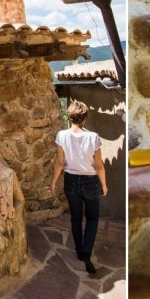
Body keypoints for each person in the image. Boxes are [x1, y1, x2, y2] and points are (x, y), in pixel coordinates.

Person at [50, 100, 108, 274]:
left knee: (76, 218)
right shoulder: (93, 137)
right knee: (92, 218)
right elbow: (99, 165)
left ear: (70, 117)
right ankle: (86, 252)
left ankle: (78, 249)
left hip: (71, 181)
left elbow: (60, 162)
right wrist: (104, 185)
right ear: (84, 119)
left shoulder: (62, 136)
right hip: (90, 181)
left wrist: (53, 181)